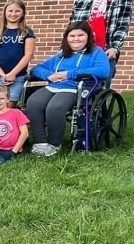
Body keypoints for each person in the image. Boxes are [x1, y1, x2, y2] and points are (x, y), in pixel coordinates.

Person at [27, 22, 111, 157]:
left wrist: (70, 74)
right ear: (66, 38)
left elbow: (103, 71)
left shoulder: (97, 52)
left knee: (55, 108)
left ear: (88, 36)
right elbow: (37, 68)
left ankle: (54, 144)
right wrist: (48, 75)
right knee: (33, 103)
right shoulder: (62, 54)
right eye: (72, 35)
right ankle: (40, 143)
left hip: (78, 87)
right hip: (55, 85)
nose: (76, 39)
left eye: (80, 35)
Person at [69, 0, 131, 80]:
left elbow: (122, 26)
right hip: (80, 49)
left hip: (104, 51)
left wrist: (115, 47)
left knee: (100, 87)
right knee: (74, 84)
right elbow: (72, 26)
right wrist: (65, 48)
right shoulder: (81, 1)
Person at [0, 0, 37, 106]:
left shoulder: (27, 32)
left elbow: (28, 55)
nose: (13, 14)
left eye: (17, 11)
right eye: (10, 11)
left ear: (23, 13)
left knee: (10, 105)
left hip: (18, 76)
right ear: (5, 12)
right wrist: (2, 74)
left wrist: (13, 74)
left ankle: (10, 122)